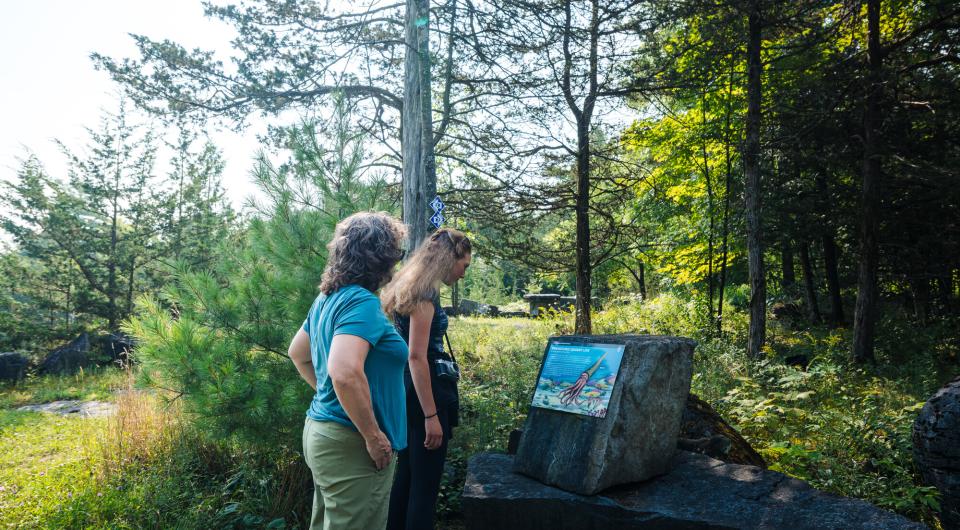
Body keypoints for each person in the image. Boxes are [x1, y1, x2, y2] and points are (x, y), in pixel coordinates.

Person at [287, 211, 409, 530]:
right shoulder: (362, 303)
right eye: (396, 251)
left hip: (324, 432)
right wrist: (372, 436)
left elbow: (298, 354)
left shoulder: (327, 298)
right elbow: (343, 372)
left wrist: (333, 395)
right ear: (381, 256)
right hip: (352, 444)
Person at [381, 228, 472, 530]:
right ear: (451, 257)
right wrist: (432, 415)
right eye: (465, 265)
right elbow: (416, 356)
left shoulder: (408, 286)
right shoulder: (424, 295)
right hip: (425, 392)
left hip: (407, 390)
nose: (463, 273)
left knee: (406, 479)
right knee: (425, 489)